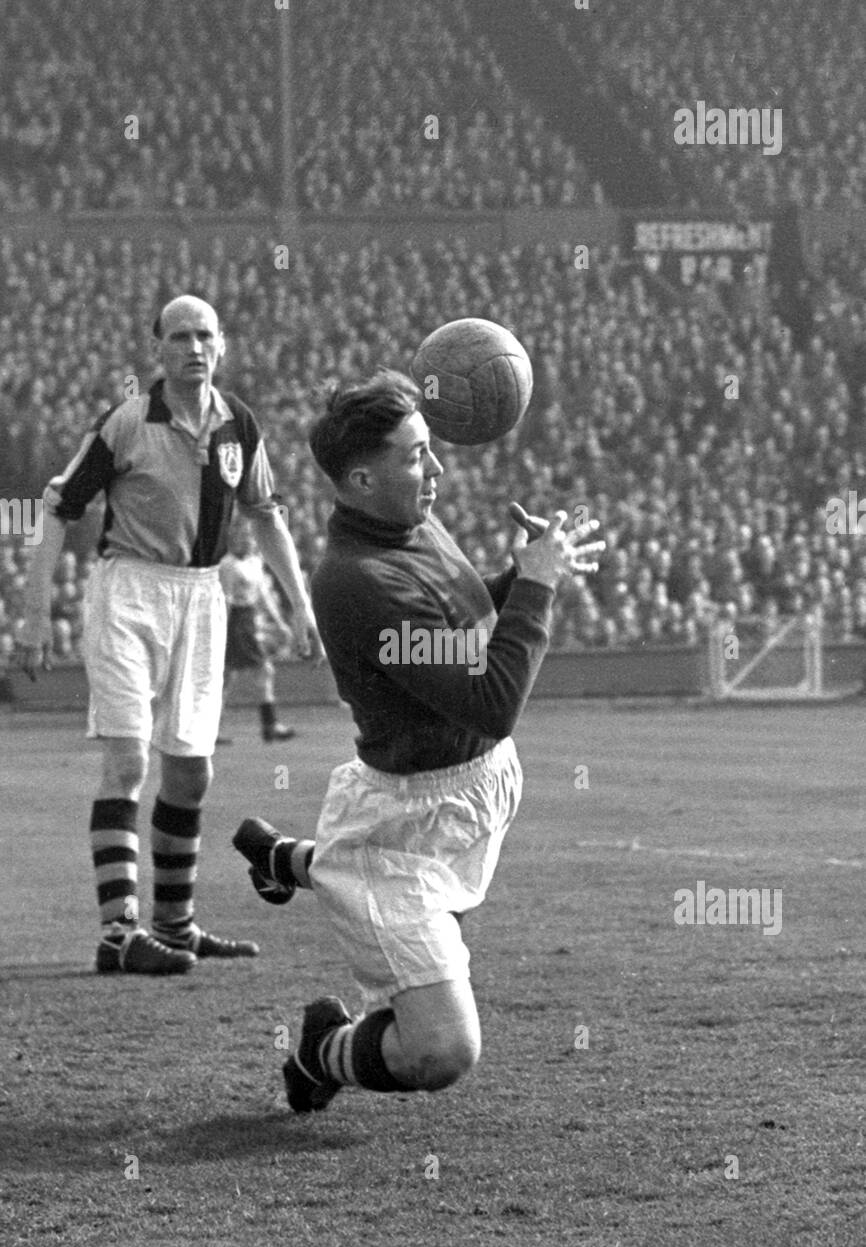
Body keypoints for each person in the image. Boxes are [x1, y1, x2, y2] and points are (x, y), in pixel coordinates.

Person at [233, 369, 602, 1112]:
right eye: (415, 456)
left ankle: (286, 861)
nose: (436, 468)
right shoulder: (358, 580)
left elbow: (455, 621)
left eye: (430, 448)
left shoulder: (411, 526)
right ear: (362, 479)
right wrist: (536, 588)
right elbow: (492, 702)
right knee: (441, 1049)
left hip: (477, 788)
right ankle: (322, 1051)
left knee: (421, 955)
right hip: (405, 814)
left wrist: (517, 576)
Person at [15, 294, 323, 975]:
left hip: (203, 595)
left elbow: (266, 515)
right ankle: (118, 934)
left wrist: (299, 604)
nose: (194, 347)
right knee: (128, 761)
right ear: (157, 349)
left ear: (222, 345)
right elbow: (58, 508)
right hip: (128, 590)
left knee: (191, 770)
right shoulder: (127, 422)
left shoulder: (239, 424)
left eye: (205, 335)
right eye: (180, 336)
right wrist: (34, 616)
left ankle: (175, 928)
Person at [216, 518, 298, 745]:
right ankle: (270, 724)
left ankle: (212, 731)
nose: (247, 541)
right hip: (237, 622)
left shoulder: (255, 562)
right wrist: (222, 629)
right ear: (233, 539)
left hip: (249, 619)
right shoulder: (228, 565)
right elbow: (226, 599)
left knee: (227, 677)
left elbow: (263, 596)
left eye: (250, 536)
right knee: (263, 670)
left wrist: (279, 622)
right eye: (242, 536)